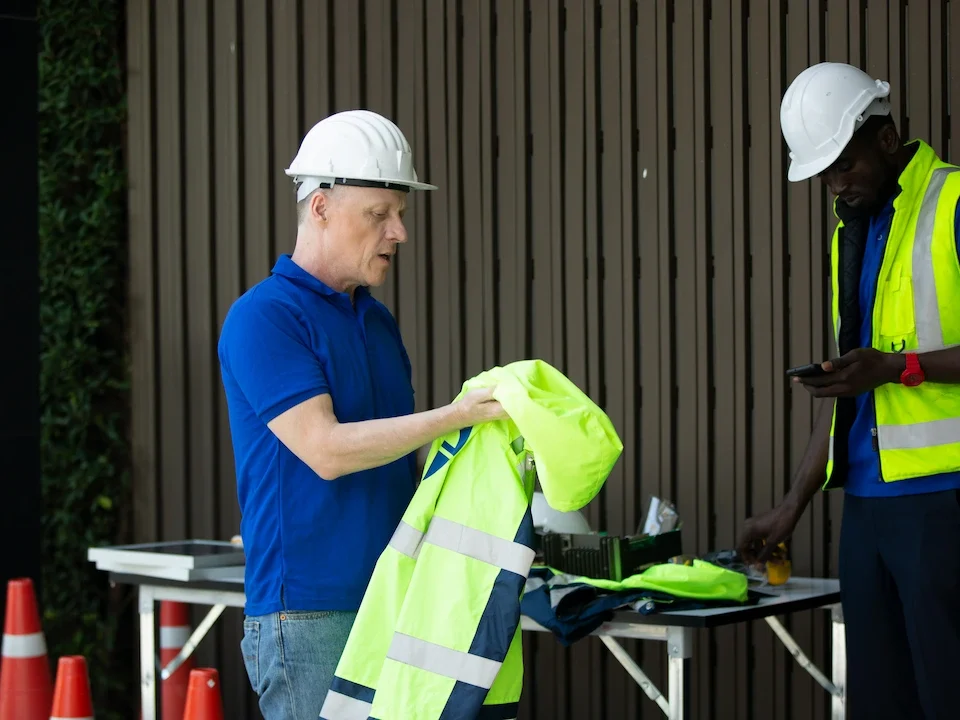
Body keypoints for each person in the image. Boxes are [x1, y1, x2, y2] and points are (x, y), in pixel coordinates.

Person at [217, 109, 508, 720]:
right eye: (380, 215)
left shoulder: (374, 319)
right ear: (320, 208)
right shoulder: (264, 317)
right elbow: (325, 450)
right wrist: (453, 416)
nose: (398, 232)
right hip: (310, 618)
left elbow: (400, 455)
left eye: (400, 214)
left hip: (396, 603)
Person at [738, 62, 960, 720]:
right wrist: (790, 508)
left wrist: (898, 369)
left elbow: (884, 370)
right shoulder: (852, 233)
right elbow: (851, 391)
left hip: (943, 508)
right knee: (879, 705)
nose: (836, 184)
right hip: (866, 518)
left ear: (886, 139)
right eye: (823, 173)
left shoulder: (952, 203)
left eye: (844, 165)